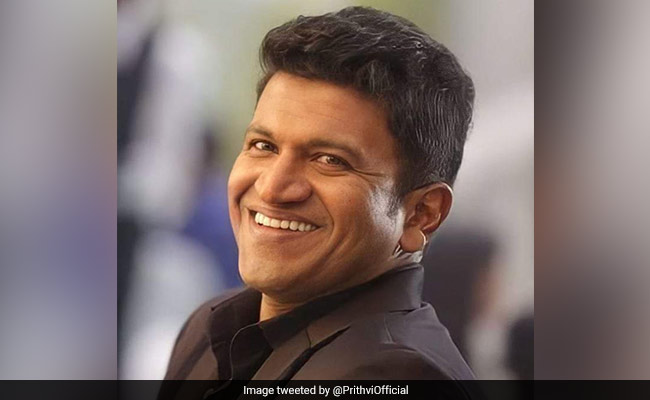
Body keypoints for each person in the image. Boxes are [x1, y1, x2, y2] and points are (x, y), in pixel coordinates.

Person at [161, 6, 476, 396]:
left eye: (330, 160)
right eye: (263, 145)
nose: (273, 188)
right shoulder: (207, 331)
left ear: (421, 214)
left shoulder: (396, 376)